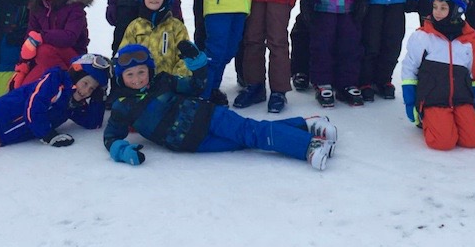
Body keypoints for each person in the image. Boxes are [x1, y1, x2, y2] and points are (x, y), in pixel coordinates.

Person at [103, 43, 337, 171]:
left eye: (141, 72)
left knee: (252, 134)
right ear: (121, 77)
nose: (136, 79)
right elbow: (111, 136)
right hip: (193, 144)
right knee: (248, 139)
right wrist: (122, 152)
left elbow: (196, 87)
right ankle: (305, 125)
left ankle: (308, 146)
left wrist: (198, 65)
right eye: (130, 75)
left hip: (208, 116)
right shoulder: (122, 107)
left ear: (150, 71)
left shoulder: (163, 81)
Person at [400, 0, 475, 151]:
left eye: (443, 8)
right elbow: (409, 69)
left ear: (457, 10)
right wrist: (410, 103)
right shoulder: (423, 37)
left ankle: (453, 120)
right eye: (435, 7)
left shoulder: (468, 40)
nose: (437, 12)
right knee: (443, 142)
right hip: (433, 99)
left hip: (461, 99)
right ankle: (429, 120)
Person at [10, 0, 96, 88]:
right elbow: (30, 37)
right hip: (45, 59)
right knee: (23, 88)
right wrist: (23, 65)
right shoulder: (37, 7)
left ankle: (69, 85)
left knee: (44, 50)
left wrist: (42, 36)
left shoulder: (74, 7)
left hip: (73, 60)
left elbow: (70, 37)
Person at [118, 0, 191, 78]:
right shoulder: (135, 26)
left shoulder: (176, 27)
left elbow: (185, 57)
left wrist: (176, 79)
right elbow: (124, 55)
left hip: (168, 86)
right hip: (139, 83)